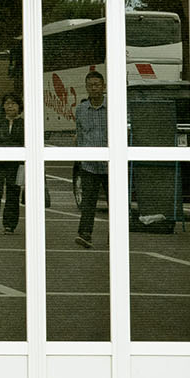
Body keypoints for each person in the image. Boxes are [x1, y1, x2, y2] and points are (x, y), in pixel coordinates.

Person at [73, 69, 110, 248]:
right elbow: (79, 134)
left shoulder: (113, 108)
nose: (94, 89)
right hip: (89, 165)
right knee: (88, 202)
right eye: (90, 86)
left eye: (97, 85)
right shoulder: (81, 109)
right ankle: (85, 234)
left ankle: (118, 236)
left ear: (103, 86)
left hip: (110, 164)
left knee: (116, 202)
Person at [0, 92, 25, 233]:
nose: (10, 106)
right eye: (7, 103)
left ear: (19, 107)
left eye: (13, 103)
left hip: (15, 164)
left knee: (13, 192)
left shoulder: (24, 124)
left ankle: (9, 224)